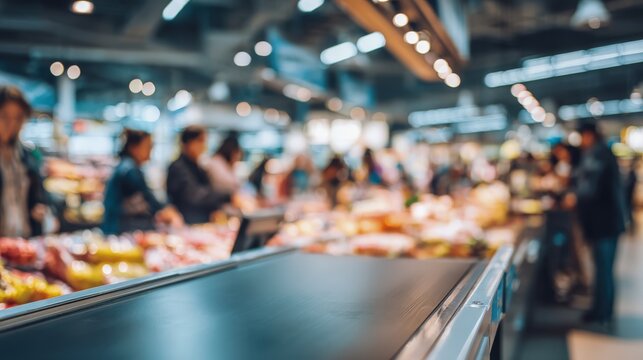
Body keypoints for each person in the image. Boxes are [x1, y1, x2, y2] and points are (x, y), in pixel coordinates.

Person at [575, 122, 626, 324]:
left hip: (603, 222)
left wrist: (575, 196)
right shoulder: (604, 153)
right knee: (605, 270)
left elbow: (588, 190)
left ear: (589, 135)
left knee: (603, 270)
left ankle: (601, 313)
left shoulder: (597, 156)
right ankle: (604, 311)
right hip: (611, 221)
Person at [102, 129, 183, 235]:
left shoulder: (125, 165)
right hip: (118, 227)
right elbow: (148, 196)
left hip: (113, 225)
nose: (150, 151)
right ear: (134, 148)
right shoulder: (130, 169)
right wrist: (167, 210)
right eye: (148, 146)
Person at [0, 85, 49, 238]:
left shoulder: (27, 155)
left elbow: (40, 195)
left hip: (24, 242)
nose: (11, 124)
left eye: (18, 118)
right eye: (4, 116)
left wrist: (40, 207)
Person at [167, 126, 231, 224]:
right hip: (186, 224)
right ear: (189, 143)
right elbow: (194, 196)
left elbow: (208, 190)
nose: (204, 146)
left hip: (203, 223)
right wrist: (228, 196)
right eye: (200, 141)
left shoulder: (198, 167)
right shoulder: (178, 167)